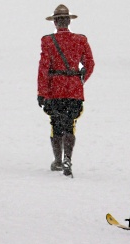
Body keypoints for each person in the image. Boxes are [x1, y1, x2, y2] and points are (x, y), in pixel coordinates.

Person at [37, 4, 95, 177]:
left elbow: (43, 69)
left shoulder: (48, 41)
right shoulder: (80, 40)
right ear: (69, 21)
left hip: (55, 89)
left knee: (56, 125)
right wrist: (80, 79)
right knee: (70, 125)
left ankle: (58, 160)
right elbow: (90, 63)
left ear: (55, 23)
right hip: (74, 90)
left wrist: (42, 92)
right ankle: (68, 158)